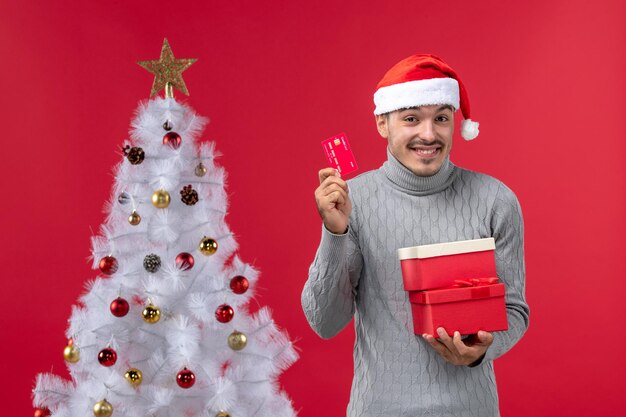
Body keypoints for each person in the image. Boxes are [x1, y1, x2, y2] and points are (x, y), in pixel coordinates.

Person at [301, 54, 529, 416]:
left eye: (441, 118)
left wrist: (483, 349)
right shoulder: (352, 200)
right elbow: (324, 322)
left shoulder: (495, 200)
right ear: (382, 123)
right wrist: (334, 231)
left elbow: (514, 310)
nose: (429, 134)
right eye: (411, 119)